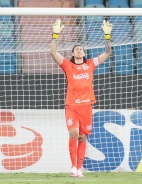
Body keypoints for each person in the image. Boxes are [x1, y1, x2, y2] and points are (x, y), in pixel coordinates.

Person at [50, 19, 112, 177]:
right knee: (73, 133)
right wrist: (55, 35)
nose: (79, 50)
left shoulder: (91, 64)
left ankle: (79, 168)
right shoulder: (67, 65)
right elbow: (52, 52)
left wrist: (107, 36)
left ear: (84, 53)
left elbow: (108, 52)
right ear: (72, 53)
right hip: (72, 106)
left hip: (86, 107)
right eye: (76, 49)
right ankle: (72, 167)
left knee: (83, 137)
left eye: (81, 49)